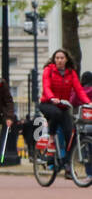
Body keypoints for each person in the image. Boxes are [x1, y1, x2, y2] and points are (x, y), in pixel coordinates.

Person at [39, 48, 90, 179]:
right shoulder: (48, 70)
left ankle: (68, 165)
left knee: (71, 134)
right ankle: (51, 138)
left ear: (66, 59)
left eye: (62, 58)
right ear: (54, 60)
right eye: (57, 58)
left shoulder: (71, 73)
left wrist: (88, 102)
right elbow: (46, 86)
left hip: (63, 106)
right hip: (48, 103)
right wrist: (51, 97)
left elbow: (79, 89)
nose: (59, 60)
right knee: (55, 114)